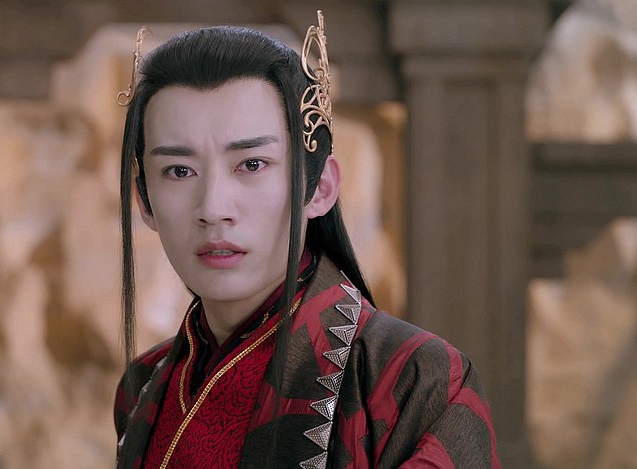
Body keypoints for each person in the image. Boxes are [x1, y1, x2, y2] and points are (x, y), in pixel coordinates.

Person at [113, 12, 499, 469]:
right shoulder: (144, 387)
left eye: (252, 164)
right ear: (144, 200)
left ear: (319, 188)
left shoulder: (418, 381)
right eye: (179, 171)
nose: (213, 208)